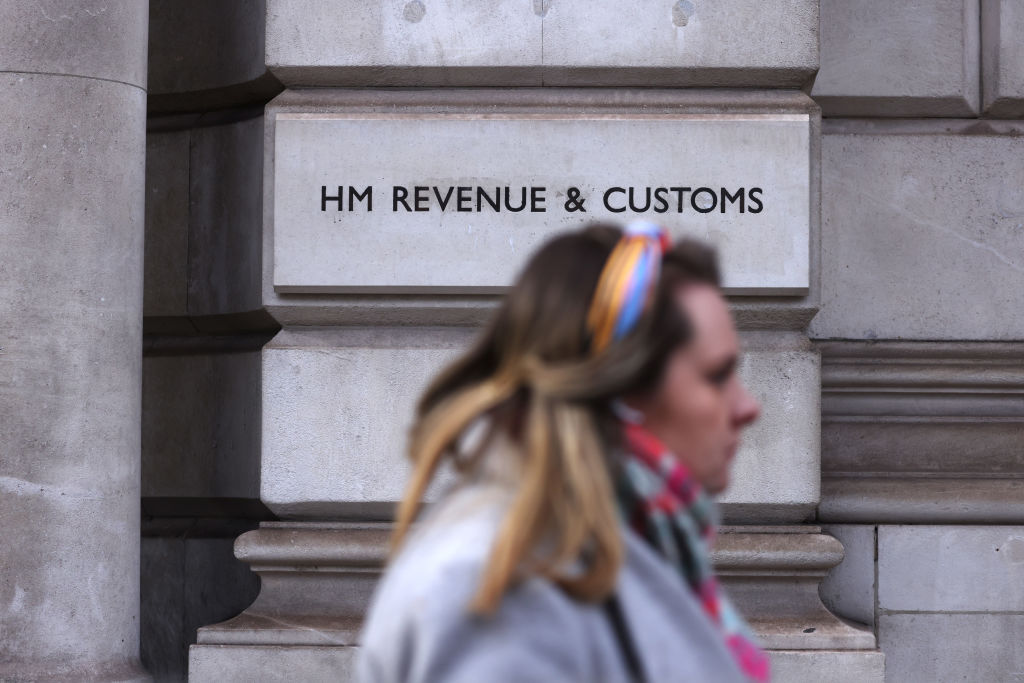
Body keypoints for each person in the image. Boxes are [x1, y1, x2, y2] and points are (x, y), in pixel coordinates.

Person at [357, 221, 769, 682]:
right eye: (717, 376)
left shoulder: (633, 546)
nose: (748, 407)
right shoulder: (498, 580)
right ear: (619, 387)